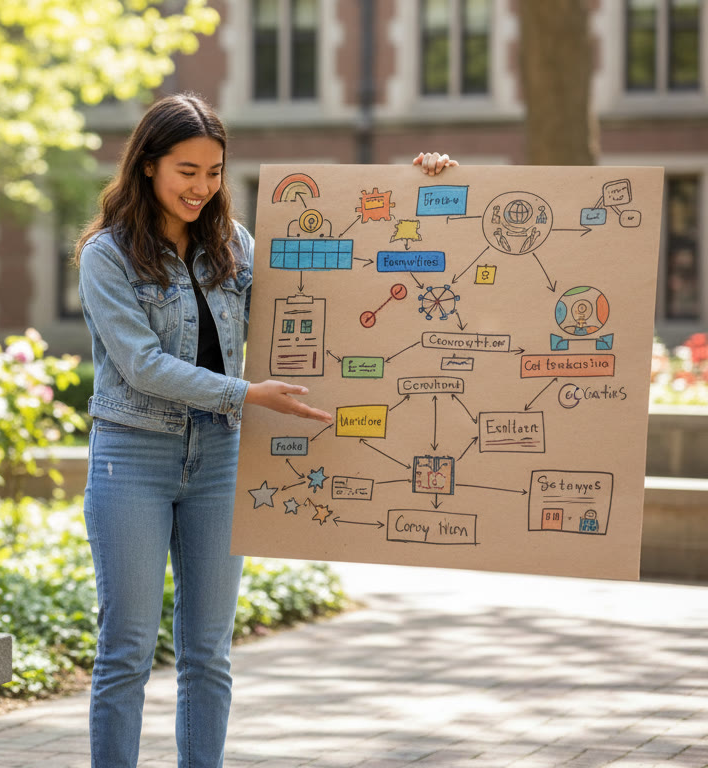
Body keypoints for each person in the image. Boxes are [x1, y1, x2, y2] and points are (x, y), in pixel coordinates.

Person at [73, 92, 456, 768]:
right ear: (148, 166)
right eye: (187, 170)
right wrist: (246, 394)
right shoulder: (106, 255)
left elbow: (336, 287)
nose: (202, 187)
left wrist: (419, 190)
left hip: (220, 456)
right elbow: (140, 364)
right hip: (132, 454)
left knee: (209, 653)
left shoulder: (236, 245)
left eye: (215, 171)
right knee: (126, 651)